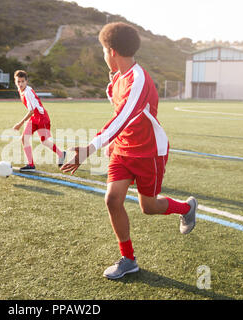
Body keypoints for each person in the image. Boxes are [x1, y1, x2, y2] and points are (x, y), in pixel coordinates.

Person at [61, 22, 197, 280]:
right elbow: (119, 115)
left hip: (149, 153)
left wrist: (90, 147)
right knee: (112, 200)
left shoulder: (139, 80)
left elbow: (124, 116)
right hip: (122, 151)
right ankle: (128, 259)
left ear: (111, 51)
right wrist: (110, 141)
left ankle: (186, 208)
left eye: (103, 50)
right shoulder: (116, 81)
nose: (103, 56)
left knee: (149, 207)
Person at [13, 70, 65, 172]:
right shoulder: (21, 90)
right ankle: (30, 165)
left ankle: (61, 154)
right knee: (24, 138)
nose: (20, 84)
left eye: (22, 81)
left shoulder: (28, 92)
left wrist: (20, 124)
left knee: (45, 141)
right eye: (18, 81)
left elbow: (31, 111)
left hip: (42, 118)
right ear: (15, 82)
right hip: (34, 118)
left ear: (26, 81)